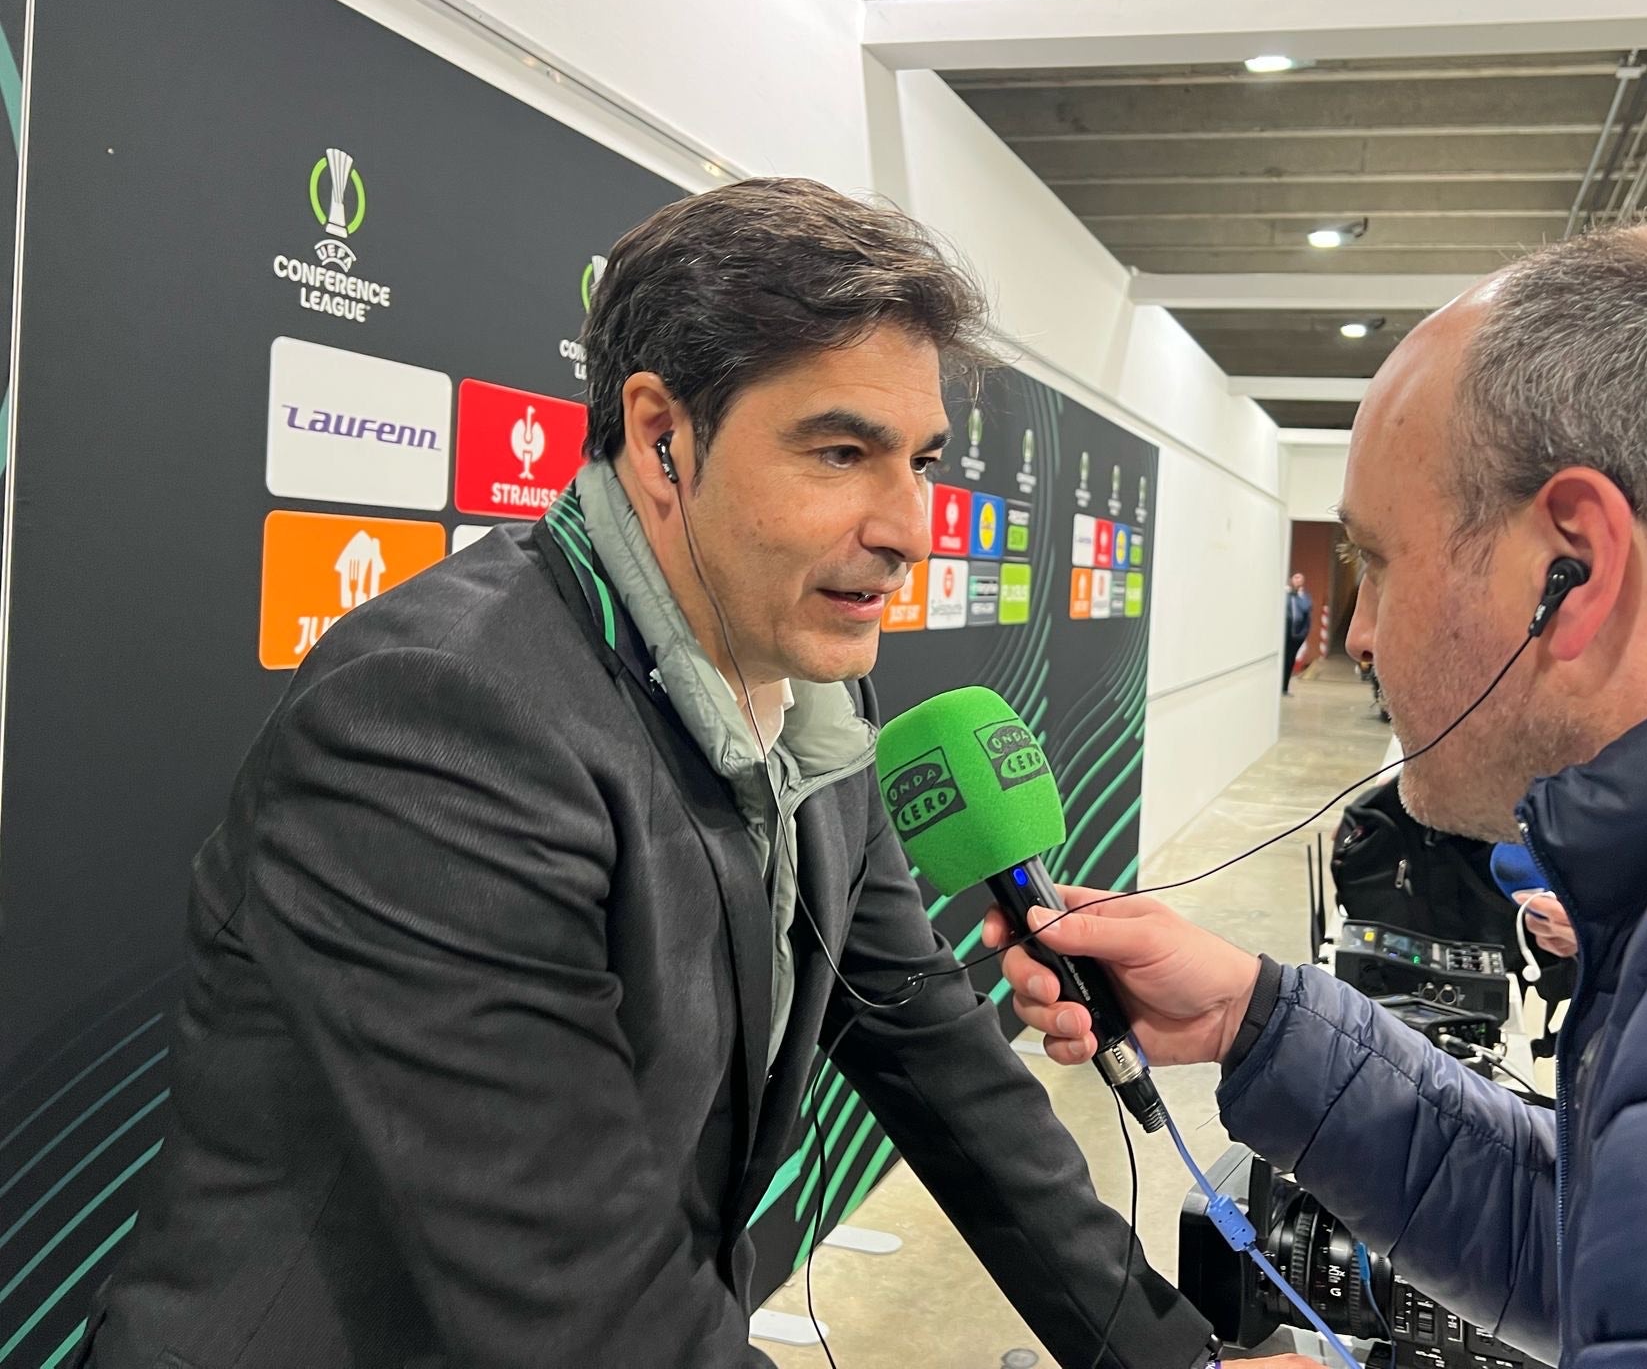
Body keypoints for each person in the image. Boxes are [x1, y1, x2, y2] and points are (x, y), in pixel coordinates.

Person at [81, 180, 1228, 1368]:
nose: (912, 526)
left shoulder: (808, 695)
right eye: (841, 451)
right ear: (660, 437)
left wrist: (1174, 1359)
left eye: (920, 460)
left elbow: (927, 1047)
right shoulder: (437, 724)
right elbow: (584, 1301)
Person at [991, 221, 1647, 1365]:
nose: (1358, 637)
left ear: (1573, 569)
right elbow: (1622, 1250)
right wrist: (1258, 1024)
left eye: (1377, 566)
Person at [1281, 572, 1312, 693]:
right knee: (1281, 659)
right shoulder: (1285, 594)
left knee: (1289, 660)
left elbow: (1305, 608)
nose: (1297, 580)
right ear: (1291, 579)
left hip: (1297, 635)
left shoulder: (1304, 596)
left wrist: (1298, 595)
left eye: (1300, 578)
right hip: (1284, 633)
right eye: (1296, 577)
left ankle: (1285, 687)